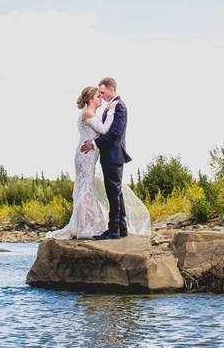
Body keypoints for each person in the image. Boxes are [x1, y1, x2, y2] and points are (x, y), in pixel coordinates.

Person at [47, 81, 149, 240]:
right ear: (90, 99)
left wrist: (94, 143)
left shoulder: (118, 106)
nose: (101, 96)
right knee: (94, 188)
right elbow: (103, 130)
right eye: (98, 94)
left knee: (110, 191)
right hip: (87, 154)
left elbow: (113, 132)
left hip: (107, 154)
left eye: (102, 92)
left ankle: (115, 229)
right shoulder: (93, 112)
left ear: (111, 90)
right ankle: (97, 226)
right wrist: (107, 116)